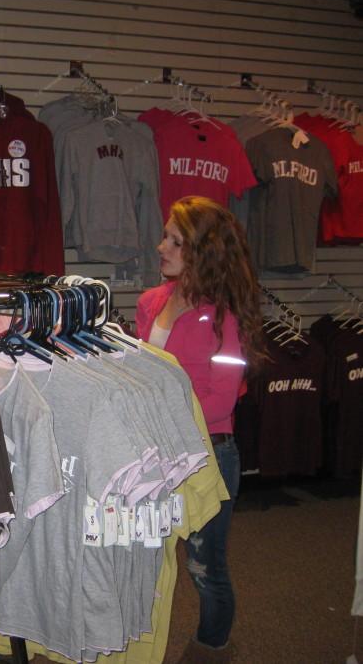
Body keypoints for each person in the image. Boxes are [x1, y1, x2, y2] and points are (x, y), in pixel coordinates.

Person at [135, 196, 265, 662]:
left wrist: (162, 422)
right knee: (148, 556)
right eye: (165, 236)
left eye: (174, 240)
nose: (160, 247)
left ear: (203, 251)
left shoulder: (226, 318)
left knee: (205, 566)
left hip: (209, 453)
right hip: (154, 453)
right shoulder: (150, 303)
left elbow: (221, 401)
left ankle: (212, 645)